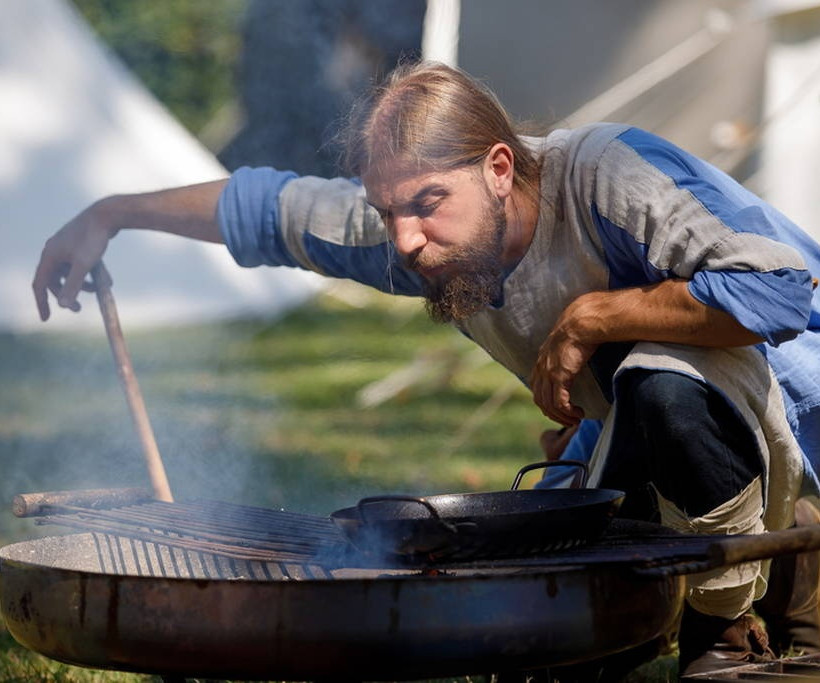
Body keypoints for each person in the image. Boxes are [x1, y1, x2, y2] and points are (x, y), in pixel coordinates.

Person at [32, 61, 820, 677]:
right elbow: (271, 211)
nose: (404, 238)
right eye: (388, 210)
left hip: (794, 413)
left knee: (659, 381)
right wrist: (113, 212)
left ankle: (740, 621)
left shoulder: (607, 175)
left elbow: (777, 290)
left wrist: (593, 318)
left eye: (427, 202)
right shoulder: (421, 233)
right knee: (540, 605)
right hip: (651, 422)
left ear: (501, 167)